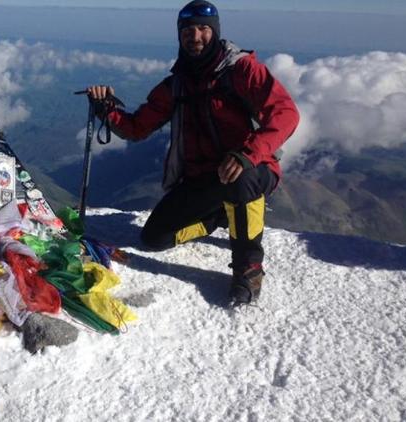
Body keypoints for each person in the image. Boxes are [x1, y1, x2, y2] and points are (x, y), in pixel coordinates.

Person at [86, 0, 299, 305]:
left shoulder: (240, 70)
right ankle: (218, 218)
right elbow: (136, 128)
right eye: (188, 30)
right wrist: (105, 109)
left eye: (203, 28)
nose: (195, 36)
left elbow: (285, 113)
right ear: (179, 36)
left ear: (215, 32)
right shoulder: (177, 85)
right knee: (153, 238)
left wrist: (247, 153)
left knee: (239, 181)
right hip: (205, 179)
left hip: (252, 168)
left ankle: (248, 267)